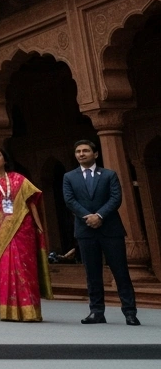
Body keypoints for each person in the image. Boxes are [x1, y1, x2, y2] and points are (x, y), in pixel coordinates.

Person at [61, 139, 139, 326]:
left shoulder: (108, 175)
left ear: (95, 154)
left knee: (120, 272)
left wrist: (100, 215)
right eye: (78, 151)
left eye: (86, 151)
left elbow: (115, 198)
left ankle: (129, 312)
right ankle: (96, 312)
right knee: (92, 273)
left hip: (110, 229)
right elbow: (69, 200)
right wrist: (88, 216)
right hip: (85, 230)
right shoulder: (69, 177)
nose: (81, 154)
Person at [0, 145, 48, 322]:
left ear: (5, 159)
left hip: (21, 229)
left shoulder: (18, 178)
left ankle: (30, 312)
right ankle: (5, 311)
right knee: (3, 266)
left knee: (23, 265)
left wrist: (36, 225)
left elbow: (32, 200)